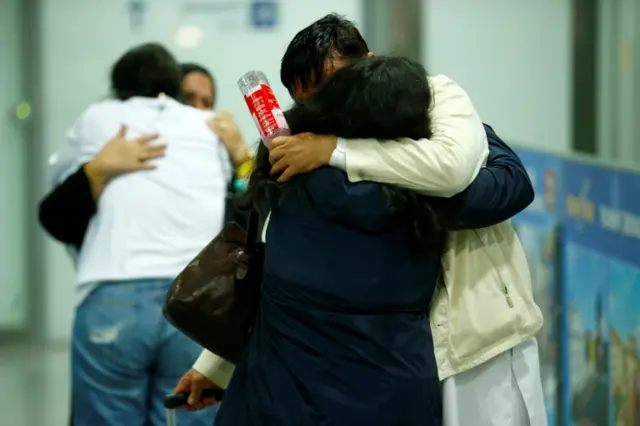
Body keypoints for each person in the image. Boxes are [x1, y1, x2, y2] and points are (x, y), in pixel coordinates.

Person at [180, 14, 546, 426]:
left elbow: (267, 280)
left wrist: (217, 364)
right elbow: (508, 186)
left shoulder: (299, 168)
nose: (325, 105)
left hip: (281, 393)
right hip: (395, 388)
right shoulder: (407, 192)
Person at [45, 43, 228, 426]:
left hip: (115, 296)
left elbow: (55, 195)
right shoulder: (207, 126)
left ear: (119, 87)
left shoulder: (99, 116)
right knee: (189, 415)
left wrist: (99, 169)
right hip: (194, 302)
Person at [40, 61, 252, 249]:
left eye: (206, 103)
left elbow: (245, 225)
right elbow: (57, 219)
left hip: (199, 282)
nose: (197, 111)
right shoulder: (117, 145)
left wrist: (242, 158)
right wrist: (97, 170)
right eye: (187, 99)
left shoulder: (215, 158)